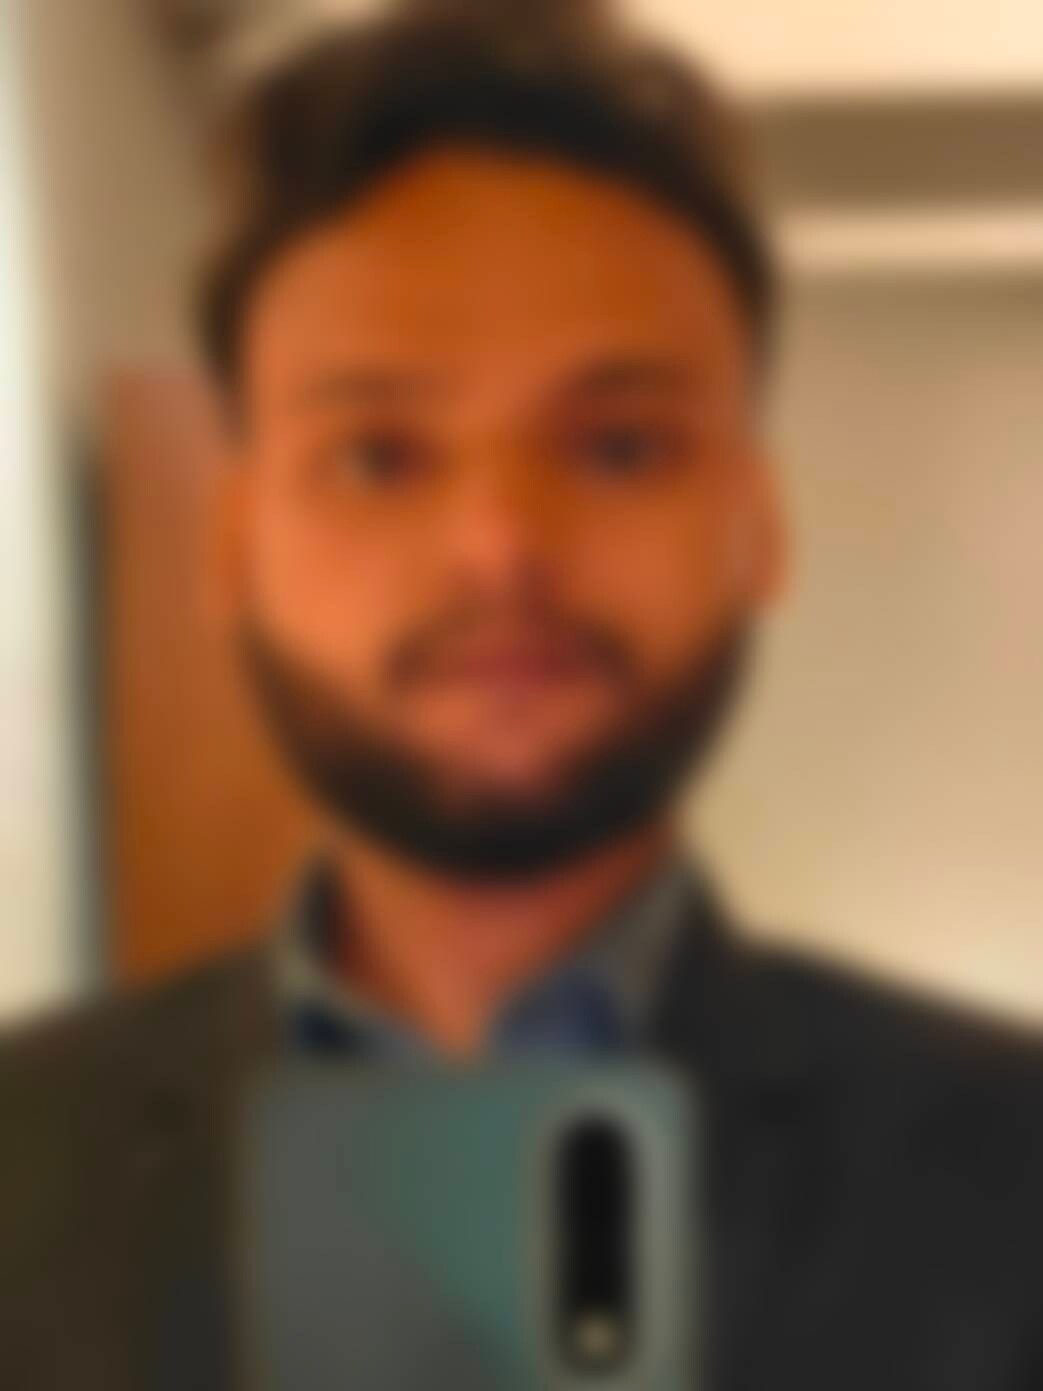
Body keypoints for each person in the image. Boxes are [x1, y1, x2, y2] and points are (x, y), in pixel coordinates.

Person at [3, 1, 1042, 1387]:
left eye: (619, 448)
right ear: (233, 548)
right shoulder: (21, 1162)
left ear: (756, 528)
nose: (499, 545)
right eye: (378, 456)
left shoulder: (1013, 1175)